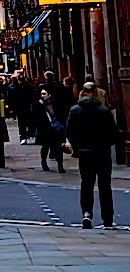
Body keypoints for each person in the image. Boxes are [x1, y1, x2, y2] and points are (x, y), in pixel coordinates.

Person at [64, 82, 119, 229]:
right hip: (102, 153)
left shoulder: (74, 110)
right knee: (104, 186)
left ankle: (87, 214)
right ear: (95, 93)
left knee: (86, 184)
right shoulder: (104, 110)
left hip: (84, 154)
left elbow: (69, 131)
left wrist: (77, 147)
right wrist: (105, 144)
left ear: (83, 92)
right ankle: (107, 219)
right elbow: (113, 134)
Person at [36, 88, 66, 173]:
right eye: (41, 94)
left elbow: (61, 115)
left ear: (49, 95)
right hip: (45, 129)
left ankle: (60, 165)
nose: (42, 96)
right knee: (45, 147)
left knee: (58, 148)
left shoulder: (56, 104)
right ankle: (44, 162)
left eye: (44, 94)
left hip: (56, 129)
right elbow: (36, 117)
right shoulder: (39, 105)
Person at [7, 73, 35, 144]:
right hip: (20, 107)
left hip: (27, 107)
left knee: (30, 122)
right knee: (22, 123)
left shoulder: (28, 87)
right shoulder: (15, 87)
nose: (21, 81)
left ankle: (29, 135)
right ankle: (23, 137)